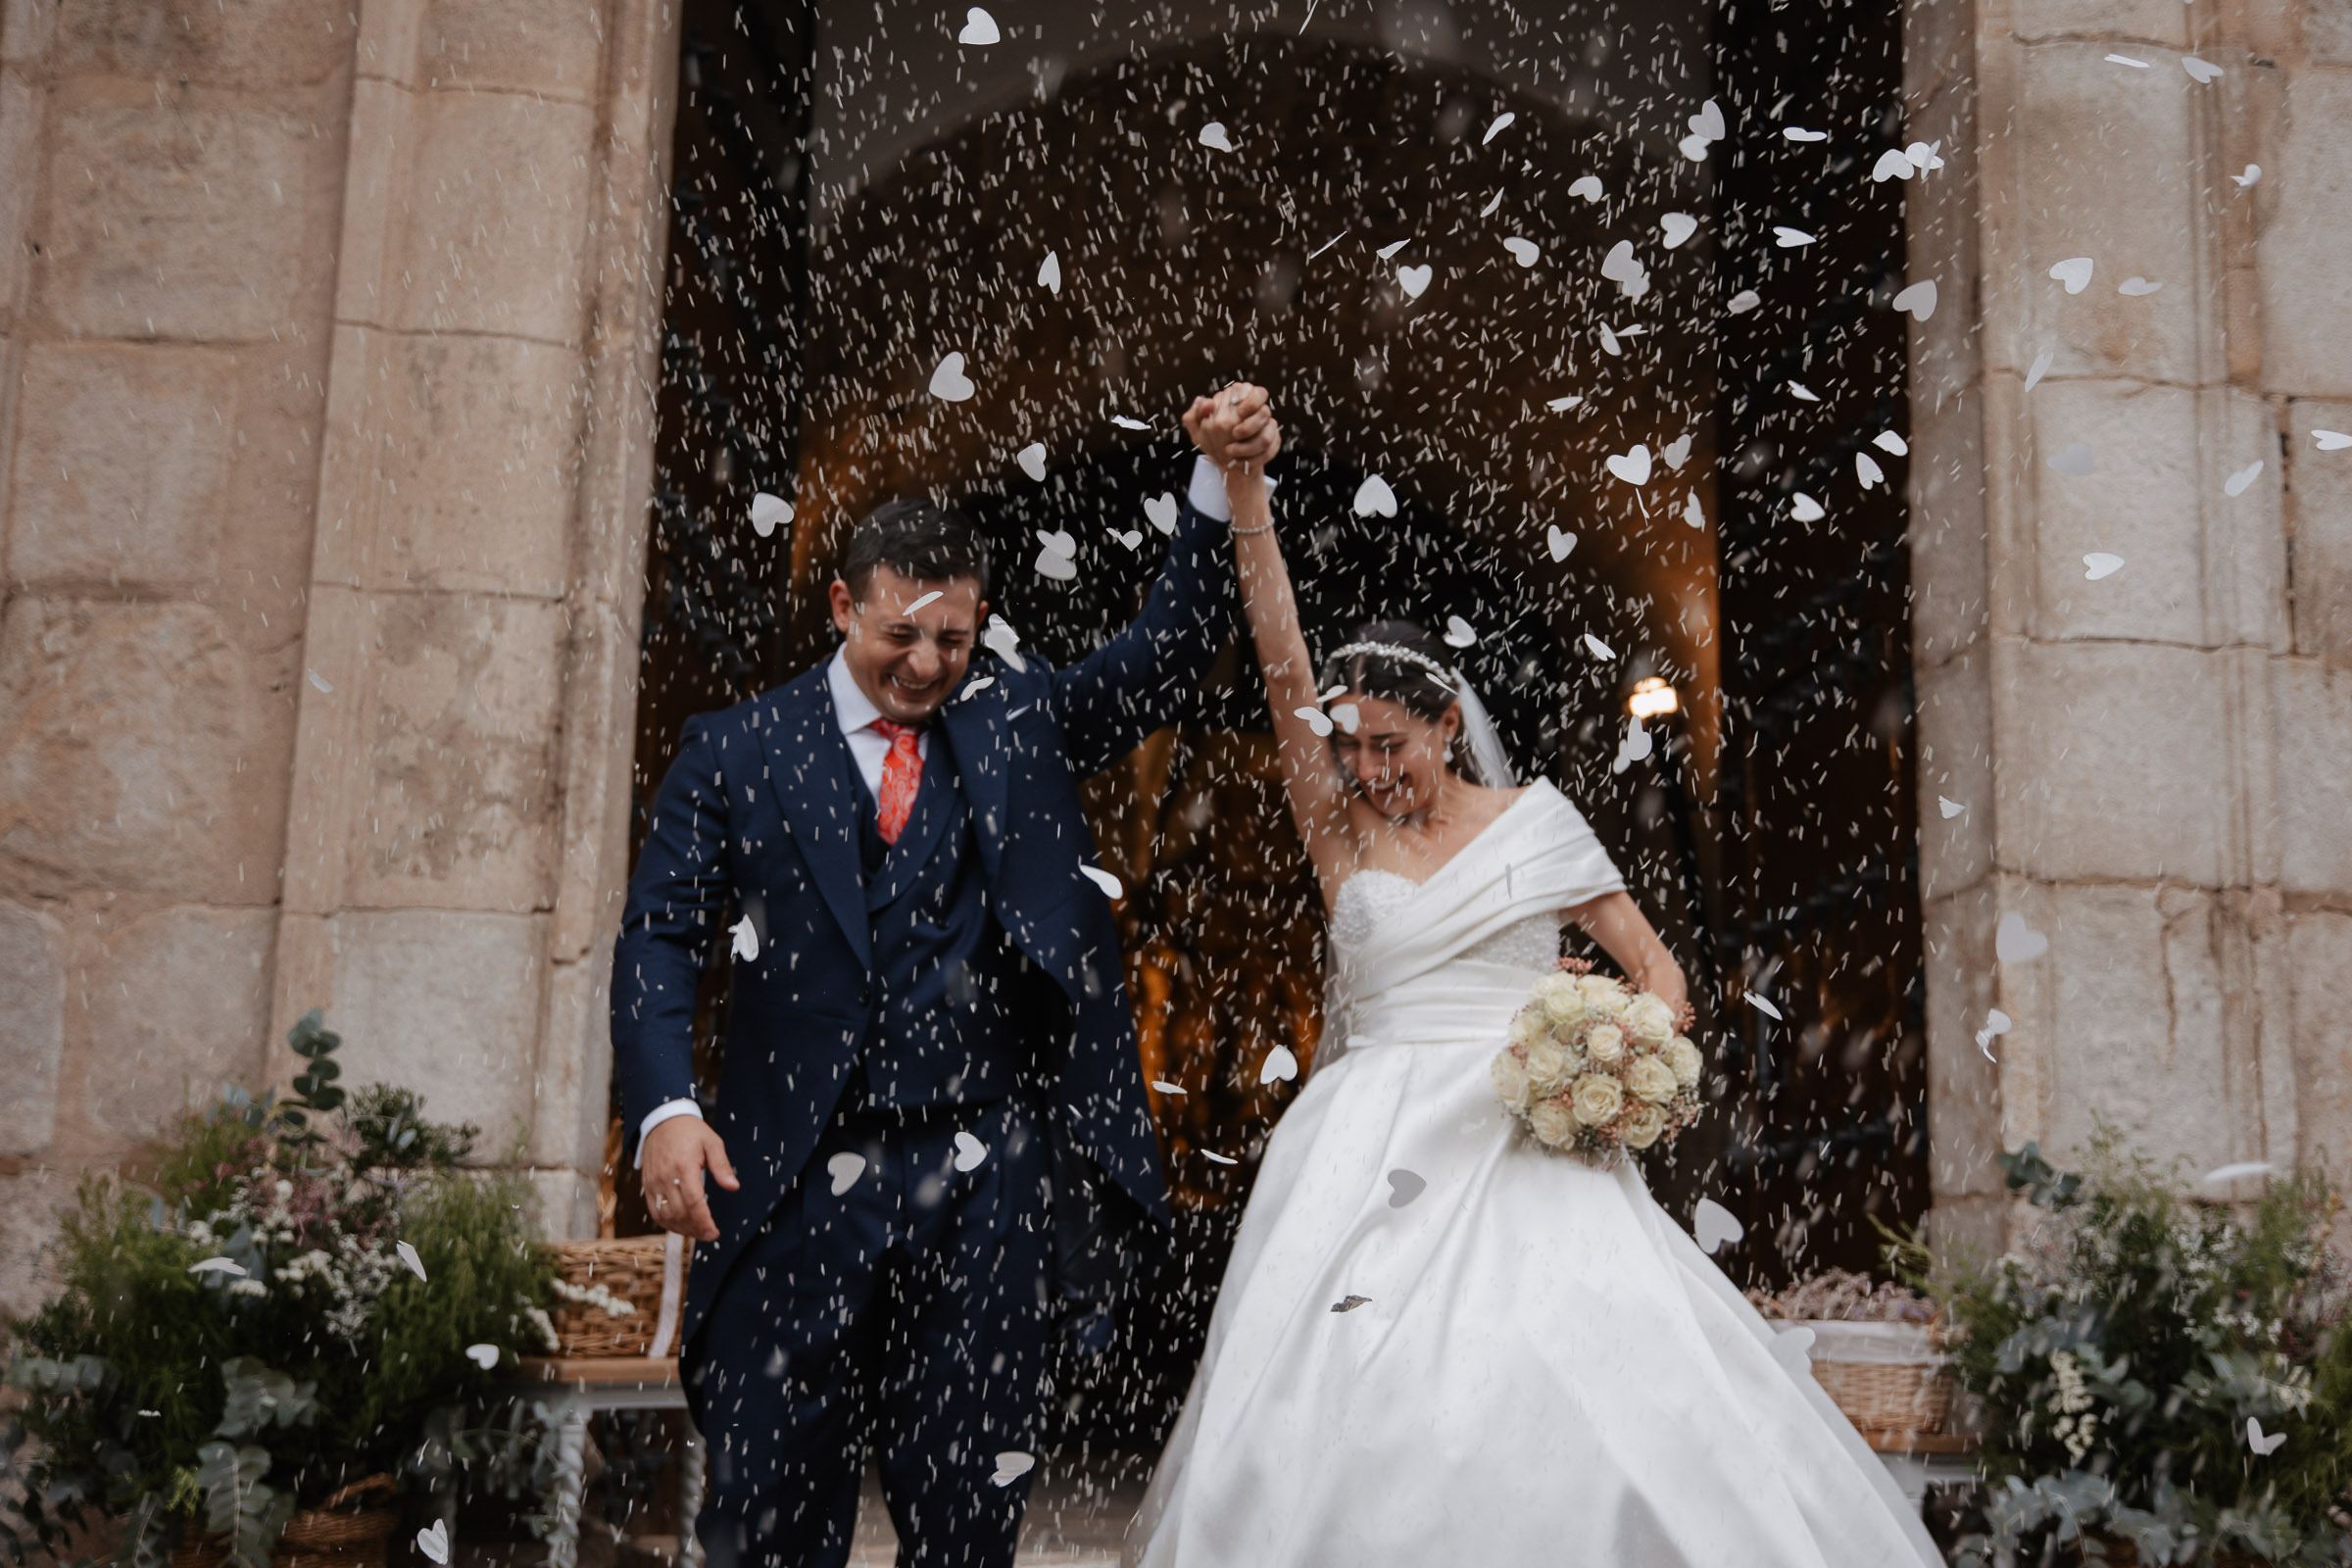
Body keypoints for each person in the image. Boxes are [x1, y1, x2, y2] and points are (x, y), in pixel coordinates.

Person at [1123, 392, 1945, 1567]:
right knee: (1357, 1396)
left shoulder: (1541, 825)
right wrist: (1244, 491)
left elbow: (1661, 974)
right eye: (1349, 745)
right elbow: (1280, 655)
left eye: (1391, 744)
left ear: (1447, 726)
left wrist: (1608, 1051)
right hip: (1365, 1150)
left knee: (1568, 1386)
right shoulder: (1339, 831)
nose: (1368, 768)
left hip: (1528, 1135)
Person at [609, 386, 1277, 1568]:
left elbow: (1162, 660)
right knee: (765, 1521)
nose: (925, 663)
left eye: (952, 640)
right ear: (843, 606)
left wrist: (1219, 485)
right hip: (790, 1175)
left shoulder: (1017, 724)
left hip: (982, 1181)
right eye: (900, 635)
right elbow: (659, 935)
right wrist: (666, 1106)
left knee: (970, 1521)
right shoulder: (736, 749)